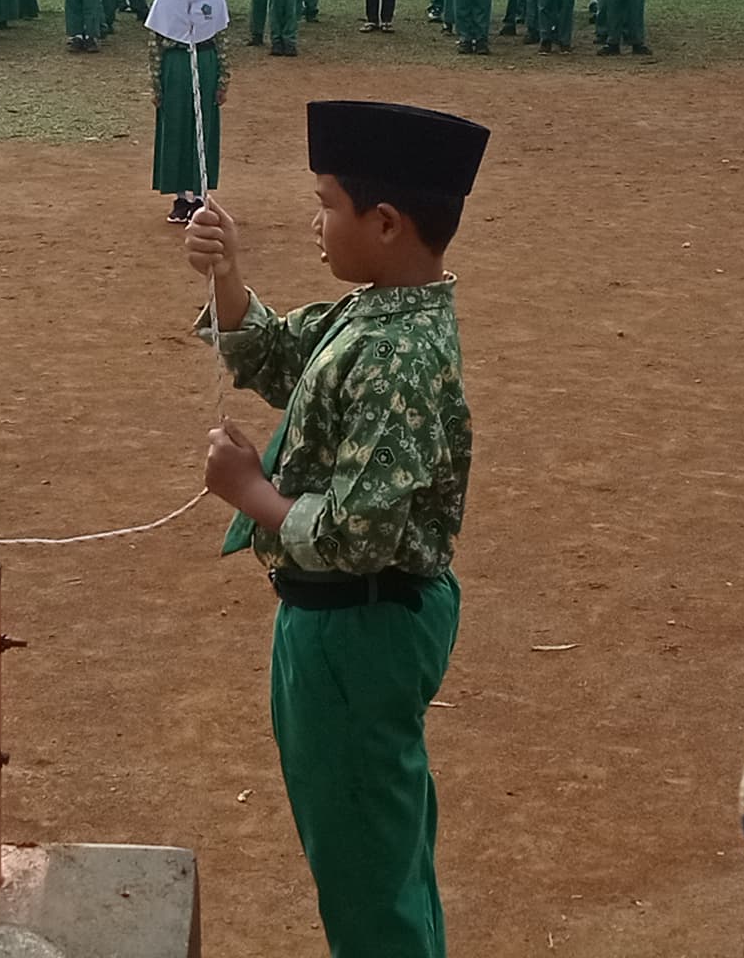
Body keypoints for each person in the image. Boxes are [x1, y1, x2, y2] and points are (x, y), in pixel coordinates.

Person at [178, 99, 485, 958]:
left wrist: (251, 493)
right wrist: (228, 278)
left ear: (384, 223)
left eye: (325, 203)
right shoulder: (377, 313)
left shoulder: (396, 350)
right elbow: (283, 357)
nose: (314, 223)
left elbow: (359, 535)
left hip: (360, 622)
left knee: (365, 870)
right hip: (345, 622)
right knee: (380, 846)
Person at [150, 0, 231, 221]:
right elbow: (155, 46)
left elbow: (221, 41)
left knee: (202, 126)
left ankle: (199, 195)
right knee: (175, 127)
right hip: (175, 67)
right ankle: (180, 196)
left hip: (205, 64)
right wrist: (156, 84)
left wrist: (222, 81)